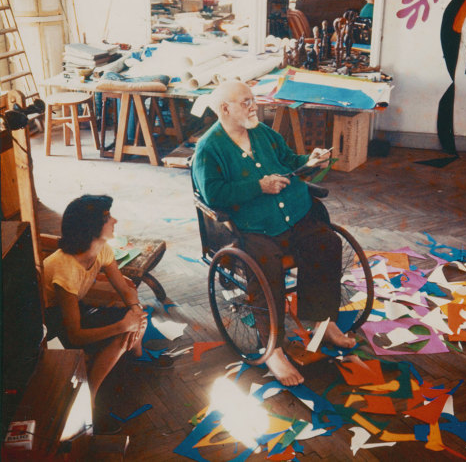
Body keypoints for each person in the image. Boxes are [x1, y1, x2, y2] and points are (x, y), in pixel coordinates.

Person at [192, 81, 355, 387]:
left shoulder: (263, 133)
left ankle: (324, 320)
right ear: (225, 109)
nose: (254, 106)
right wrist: (259, 186)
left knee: (326, 243)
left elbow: (290, 162)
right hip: (252, 226)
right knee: (265, 268)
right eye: (246, 102)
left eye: (253, 100)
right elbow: (213, 195)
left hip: (294, 214)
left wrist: (310, 160)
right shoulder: (209, 148)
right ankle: (273, 349)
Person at [43, 195, 169, 433]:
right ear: (91, 229)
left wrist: (134, 310)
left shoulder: (102, 249)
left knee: (132, 316)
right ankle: (89, 398)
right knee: (124, 329)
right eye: (108, 217)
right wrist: (123, 326)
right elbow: (76, 335)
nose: (115, 220)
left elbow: (125, 288)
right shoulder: (65, 269)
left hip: (75, 311)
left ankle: (136, 354)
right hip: (52, 325)